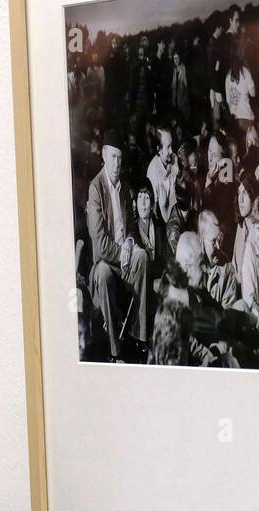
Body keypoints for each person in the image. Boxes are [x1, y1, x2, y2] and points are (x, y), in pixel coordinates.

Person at [87, 131, 147, 361]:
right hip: (108, 263)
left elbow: (131, 227)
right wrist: (121, 253)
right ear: (103, 155)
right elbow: (100, 244)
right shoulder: (96, 189)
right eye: (113, 157)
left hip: (126, 258)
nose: (116, 163)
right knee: (102, 273)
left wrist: (130, 242)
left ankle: (140, 335)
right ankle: (115, 349)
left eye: (120, 158)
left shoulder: (125, 187)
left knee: (141, 257)